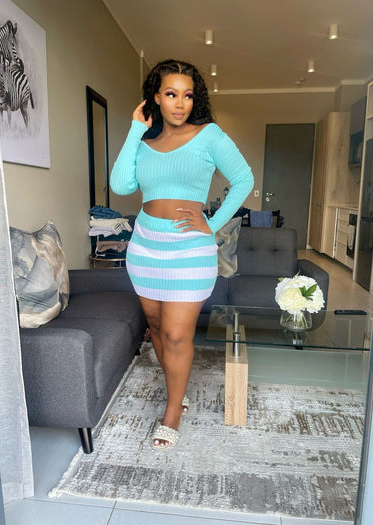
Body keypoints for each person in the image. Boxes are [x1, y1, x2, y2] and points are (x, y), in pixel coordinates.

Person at [110, 59, 253, 450]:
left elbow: (244, 179)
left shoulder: (210, 136)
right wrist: (135, 128)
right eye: (171, 94)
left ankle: (172, 410)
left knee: (176, 334)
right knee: (156, 328)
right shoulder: (144, 142)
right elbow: (121, 185)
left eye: (187, 95)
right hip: (145, 246)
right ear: (156, 97)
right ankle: (178, 389)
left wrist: (213, 222)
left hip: (189, 248)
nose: (180, 103)